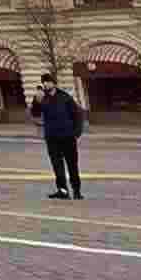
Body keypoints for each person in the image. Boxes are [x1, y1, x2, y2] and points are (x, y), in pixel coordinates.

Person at [32, 72, 87, 200]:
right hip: (52, 138)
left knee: (72, 165)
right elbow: (35, 113)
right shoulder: (42, 98)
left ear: (54, 83)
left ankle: (76, 191)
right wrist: (36, 101)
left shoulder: (65, 97)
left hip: (68, 137)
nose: (46, 84)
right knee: (57, 166)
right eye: (44, 82)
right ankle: (63, 191)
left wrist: (76, 133)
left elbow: (77, 115)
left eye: (48, 82)